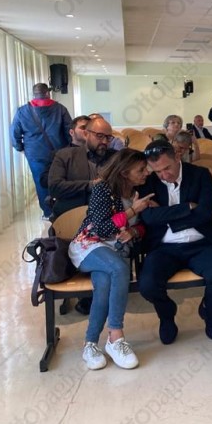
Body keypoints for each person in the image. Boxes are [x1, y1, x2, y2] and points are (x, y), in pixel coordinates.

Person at [138, 140, 212, 343]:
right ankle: (167, 314)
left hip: (200, 243)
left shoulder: (200, 175)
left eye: (167, 168)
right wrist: (186, 207)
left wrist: (164, 215)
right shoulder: (149, 182)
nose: (164, 175)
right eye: (158, 171)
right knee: (147, 285)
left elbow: (205, 213)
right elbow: (148, 218)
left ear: (177, 157)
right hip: (163, 247)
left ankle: (209, 313)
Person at [69, 149, 153, 370]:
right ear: (124, 172)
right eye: (141, 170)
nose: (147, 172)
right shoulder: (103, 189)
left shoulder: (141, 190)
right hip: (89, 245)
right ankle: (116, 336)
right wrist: (132, 210)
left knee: (104, 284)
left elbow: (146, 226)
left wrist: (134, 231)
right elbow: (101, 228)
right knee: (118, 269)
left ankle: (90, 344)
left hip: (115, 250)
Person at [10, 83, 72, 219]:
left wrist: (20, 148)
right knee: (61, 179)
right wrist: (70, 147)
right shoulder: (60, 109)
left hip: (35, 154)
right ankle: (63, 210)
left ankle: (48, 213)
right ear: (47, 93)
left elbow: (14, 133)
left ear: (34, 94)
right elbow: (69, 131)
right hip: (59, 151)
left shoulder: (22, 111)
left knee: (41, 182)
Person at [48, 116, 118, 220]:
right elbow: (55, 187)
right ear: (86, 134)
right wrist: (91, 185)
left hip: (110, 217)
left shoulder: (116, 157)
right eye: (99, 136)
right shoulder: (65, 155)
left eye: (108, 138)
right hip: (72, 216)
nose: (104, 141)